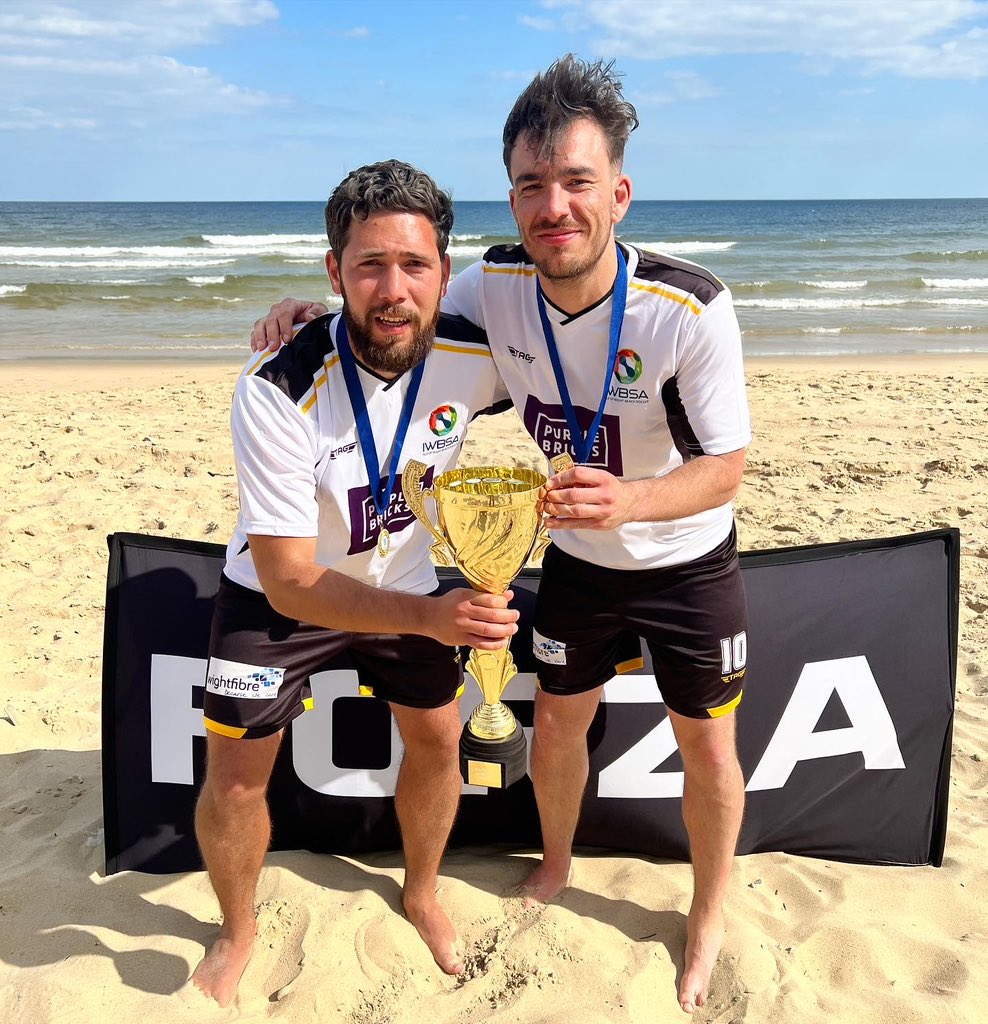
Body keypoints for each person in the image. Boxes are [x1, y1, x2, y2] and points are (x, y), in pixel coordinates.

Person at [251, 56, 751, 1016]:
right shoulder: (493, 286)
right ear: (513, 200)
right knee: (557, 722)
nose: (553, 205)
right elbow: (394, 311)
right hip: (573, 563)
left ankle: (711, 911)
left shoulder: (690, 306)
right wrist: (306, 315)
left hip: (689, 560)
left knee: (709, 750)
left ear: (620, 192)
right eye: (530, 186)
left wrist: (630, 502)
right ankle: (557, 861)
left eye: (575, 182)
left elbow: (726, 467)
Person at [192, 159, 520, 1007]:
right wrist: (433, 617)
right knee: (233, 778)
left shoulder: (475, 351)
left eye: (415, 265)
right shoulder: (276, 387)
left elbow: (573, 314)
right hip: (279, 600)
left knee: (442, 741)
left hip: (405, 577)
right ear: (333, 272)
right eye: (369, 265)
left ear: (447, 274)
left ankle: (420, 891)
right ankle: (237, 930)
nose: (394, 289)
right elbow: (292, 579)